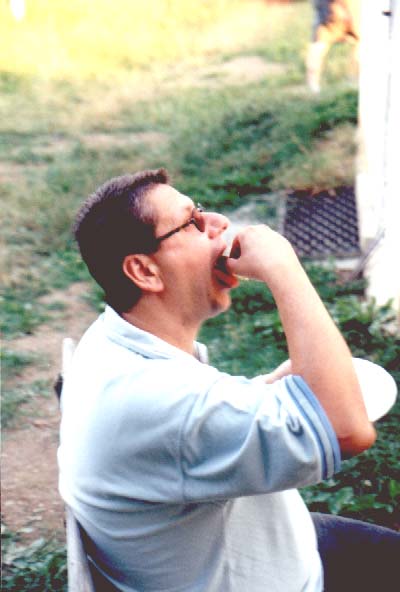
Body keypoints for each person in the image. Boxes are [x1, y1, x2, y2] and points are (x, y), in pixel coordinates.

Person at [58, 168, 399, 592]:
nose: (218, 222)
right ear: (144, 271)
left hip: (278, 548)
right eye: (192, 222)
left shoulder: (111, 343)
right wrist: (284, 268)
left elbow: (193, 428)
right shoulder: (163, 402)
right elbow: (346, 428)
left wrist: (280, 385)